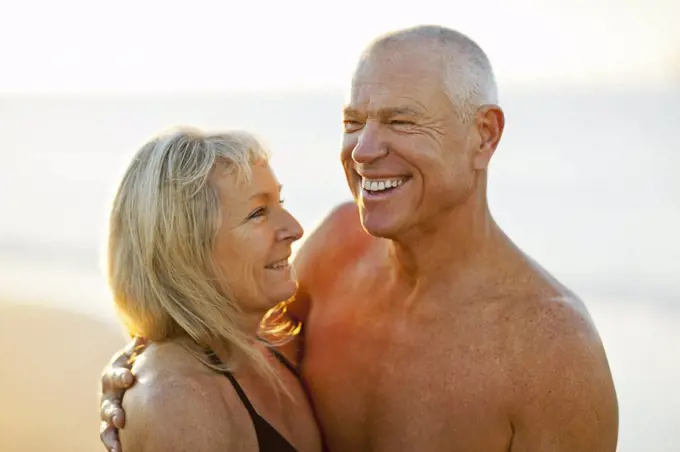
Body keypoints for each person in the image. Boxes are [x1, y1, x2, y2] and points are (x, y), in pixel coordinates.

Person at [99, 25, 619, 452]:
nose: (364, 149)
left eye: (401, 121)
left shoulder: (553, 353)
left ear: (484, 135)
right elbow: (227, 340)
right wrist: (146, 369)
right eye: (353, 121)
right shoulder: (336, 249)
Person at [101, 127, 322, 452]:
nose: (295, 229)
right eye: (258, 213)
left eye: (280, 201)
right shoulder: (175, 403)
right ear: (185, 248)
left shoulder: (275, 347)